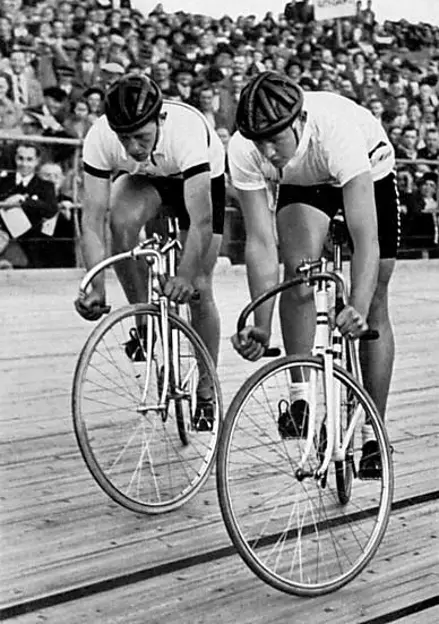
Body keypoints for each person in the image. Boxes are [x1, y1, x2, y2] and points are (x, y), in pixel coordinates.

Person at [228, 72, 399, 479]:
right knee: (299, 271)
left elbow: (366, 239)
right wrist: (261, 325)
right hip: (303, 180)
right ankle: (300, 395)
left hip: (365, 168)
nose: (267, 150)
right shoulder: (244, 149)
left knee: (374, 298)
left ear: (300, 120)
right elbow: (260, 243)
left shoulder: (335, 132)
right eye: (259, 140)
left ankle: (374, 430)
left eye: (275, 137)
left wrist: (355, 307)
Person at [74, 73, 226, 427]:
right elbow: (93, 220)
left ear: (160, 120)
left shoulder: (186, 130)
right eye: (123, 138)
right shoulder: (99, 137)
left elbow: (202, 222)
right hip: (146, 180)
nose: (133, 148)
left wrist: (186, 275)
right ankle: (144, 320)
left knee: (199, 289)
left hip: (198, 181)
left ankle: (206, 387)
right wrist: (94, 284)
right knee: (120, 223)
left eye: (140, 137)